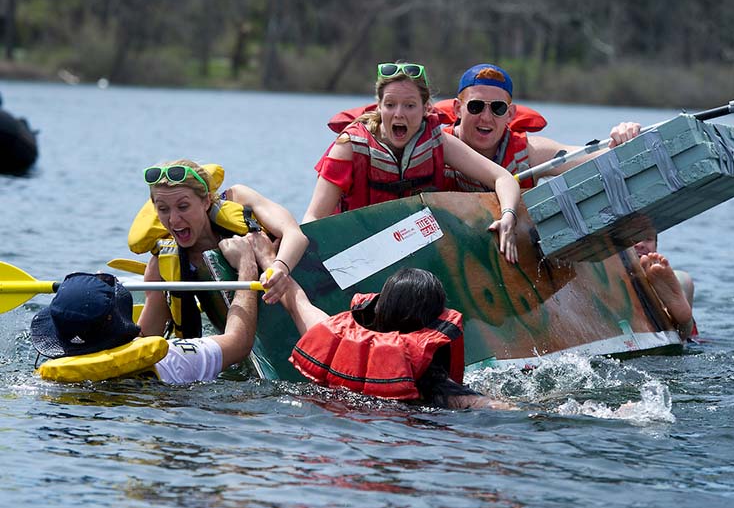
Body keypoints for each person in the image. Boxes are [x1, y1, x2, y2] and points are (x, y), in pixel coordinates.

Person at [302, 62, 521, 264]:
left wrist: (508, 215)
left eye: (409, 105)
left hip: (415, 254)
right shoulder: (350, 147)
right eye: (390, 105)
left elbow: (503, 178)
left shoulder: (438, 141)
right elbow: (312, 219)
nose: (399, 114)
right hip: (352, 255)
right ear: (379, 107)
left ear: (426, 108)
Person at [31, 233, 263, 384]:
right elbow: (239, 342)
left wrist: (155, 284)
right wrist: (247, 266)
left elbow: (139, 339)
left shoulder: (49, 381)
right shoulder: (174, 358)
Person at [275, 266, 513, 410]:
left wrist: (271, 261)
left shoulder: (335, 340)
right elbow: (492, 408)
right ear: (433, 321)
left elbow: (297, 302)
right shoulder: (434, 387)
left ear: (381, 306)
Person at [131, 159, 308, 339]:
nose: (174, 220)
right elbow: (146, 339)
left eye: (183, 207)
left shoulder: (241, 201)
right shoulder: (161, 268)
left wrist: (278, 267)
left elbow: (295, 234)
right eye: (163, 209)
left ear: (206, 201)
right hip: (243, 339)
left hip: (299, 294)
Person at [437, 63, 642, 191]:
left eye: (497, 109)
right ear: (457, 108)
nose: (486, 117)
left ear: (510, 114)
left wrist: (624, 140)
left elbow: (589, 160)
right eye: (476, 106)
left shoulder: (529, 153)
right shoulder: (435, 146)